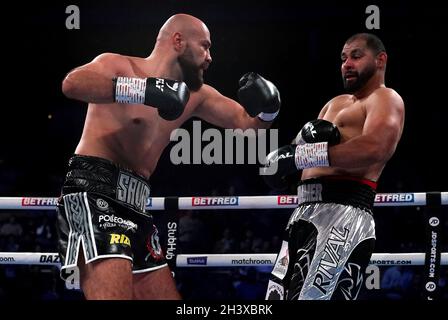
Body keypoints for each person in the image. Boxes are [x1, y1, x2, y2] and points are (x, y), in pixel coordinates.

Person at [57, 13, 280, 300]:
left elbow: (248, 123)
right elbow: (73, 84)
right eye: (205, 46)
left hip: (137, 205)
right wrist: (144, 90)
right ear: (178, 41)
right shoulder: (121, 65)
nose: (210, 57)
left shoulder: (196, 95)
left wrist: (269, 109)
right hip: (94, 190)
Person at [263, 33, 404, 300]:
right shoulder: (334, 103)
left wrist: (299, 157)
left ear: (381, 59)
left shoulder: (385, 98)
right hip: (303, 213)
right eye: (343, 58)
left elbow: (376, 148)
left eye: (356, 56)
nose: (347, 63)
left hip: (343, 215)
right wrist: (280, 163)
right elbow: (296, 153)